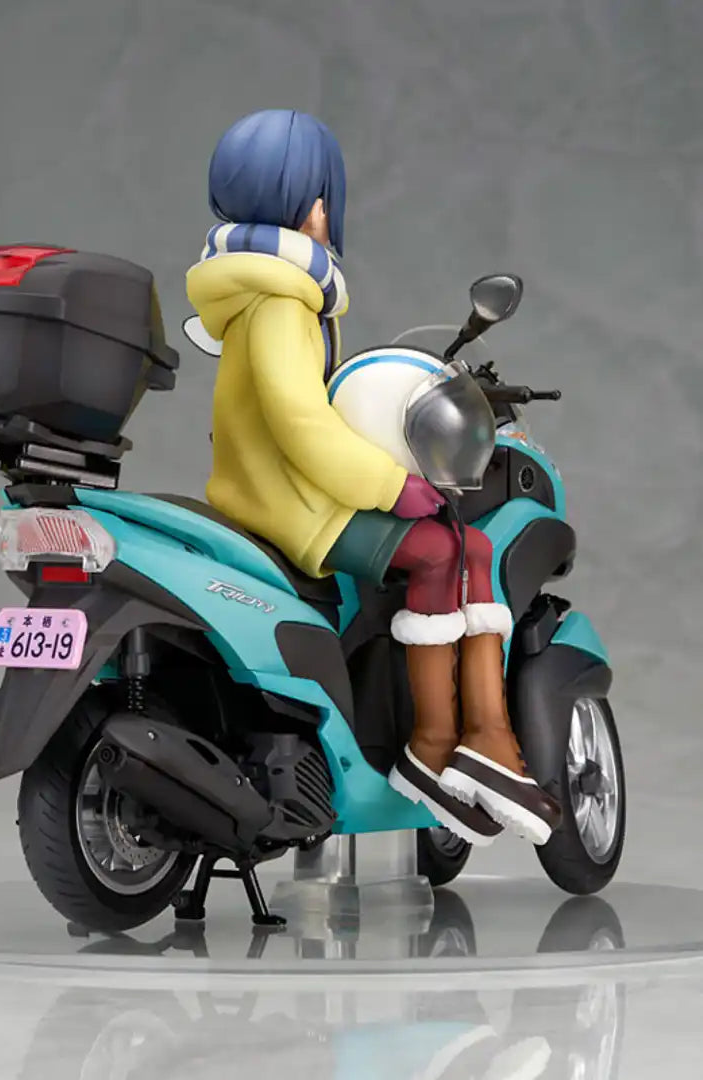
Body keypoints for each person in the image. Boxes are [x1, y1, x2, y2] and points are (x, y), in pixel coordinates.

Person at [186, 108, 560, 846]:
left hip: (273, 489)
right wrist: (392, 486)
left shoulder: (258, 292)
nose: (329, 212)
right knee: (446, 548)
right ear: (314, 204)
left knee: (468, 550)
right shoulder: (281, 301)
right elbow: (301, 423)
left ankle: (481, 736)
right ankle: (438, 743)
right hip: (291, 506)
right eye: (326, 197)